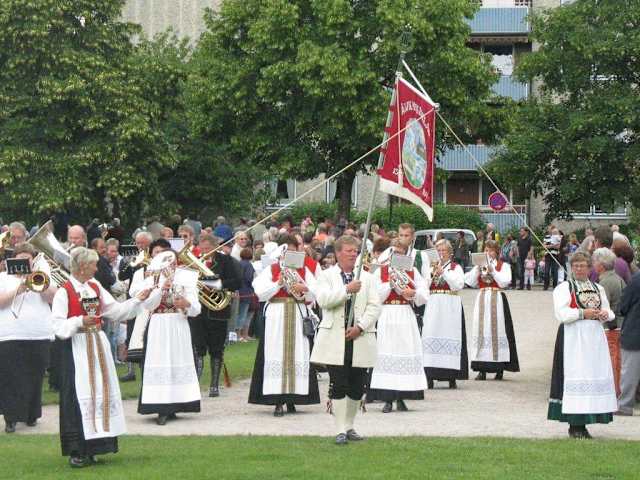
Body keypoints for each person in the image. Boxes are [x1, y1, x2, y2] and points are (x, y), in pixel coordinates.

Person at [51, 247, 150, 467]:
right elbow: (57, 325)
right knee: (78, 394)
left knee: (100, 392)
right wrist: (79, 321)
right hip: (76, 347)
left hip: (97, 344)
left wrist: (137, 300)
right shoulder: (64, 292)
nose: (97, 269)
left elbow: (115, 311)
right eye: (94, 265)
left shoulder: (95, 286)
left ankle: (96, 446)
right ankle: (78, 450)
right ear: (82, 266)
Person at [310, 235, 381, 444]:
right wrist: (346, 290)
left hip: (359, 337)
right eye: (349, 251)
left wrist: (360, 327)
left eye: (355, 251)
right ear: (338, 253)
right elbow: (323, 300)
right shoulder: (326, 276)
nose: (353, 254)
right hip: (335, 338)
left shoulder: (367, 278)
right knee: (339, 383)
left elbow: (375, 306)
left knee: (357, 385)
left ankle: (350, 425)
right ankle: (340, 429)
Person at [131, 239, 201, 426]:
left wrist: (186, 304)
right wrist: (161, 289)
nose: (169, 266)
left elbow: (196, 307)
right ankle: (160, 407)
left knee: (177, 361)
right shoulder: (152, 278)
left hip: (178, 324)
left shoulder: (186, 277)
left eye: (172, 262)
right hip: (159, 324)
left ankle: (177, 404)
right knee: (159, 361)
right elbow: (147, 304)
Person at [249, 234, 320, 416]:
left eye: (293, 251)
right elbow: (260, 293)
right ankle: (277, 399)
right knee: (276, 352)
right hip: (277, 314)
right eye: (287, 251)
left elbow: (317, 292)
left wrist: (305, 288)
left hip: (297, 312)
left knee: (298, 353)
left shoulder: (304, 270)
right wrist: (278, 283)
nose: (290, 255)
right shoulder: (272, 269)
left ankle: (293, 398)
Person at [548, 251, 617, 439]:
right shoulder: (564, 288)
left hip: (594, 338)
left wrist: (605, 314)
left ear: (589, 268)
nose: (579, 269)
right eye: (575, 266)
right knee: (576, 373)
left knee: (592, 374)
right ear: (571, 268)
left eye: (582, 265)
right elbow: (561, 314)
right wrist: (581, 313)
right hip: (573, 336)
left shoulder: (598, 288)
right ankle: (575, 425)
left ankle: (586, 421)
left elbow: (608, 310)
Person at [0, 244, 56, 433]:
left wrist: (36, 281)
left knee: (35, 376)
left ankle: (32, 414)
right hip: (9, 334)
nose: (24, 262)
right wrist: (21, 288)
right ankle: (11, 418)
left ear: (33, 261)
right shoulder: (3, 278)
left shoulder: (41, 275)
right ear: (13, 260)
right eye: (20, 259)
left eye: (28, 259)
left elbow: (53, 298)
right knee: (11, 377)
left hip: (38, 333)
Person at [368, 240, 427, 412]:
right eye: (395, 253)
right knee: (387, 352)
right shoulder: (381, 271)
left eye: (401, 253)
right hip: (387, 313)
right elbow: (374, 296)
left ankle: (401, 397)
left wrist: (413, 293)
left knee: (404, 351)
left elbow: (424, 294)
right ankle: (387, 399)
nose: (398, 256)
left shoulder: (412, 271)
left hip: (405, 314)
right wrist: (390, 284)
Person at [194, 234, 242, 397]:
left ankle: (214, 385)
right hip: (198, 311)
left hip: (218, 311)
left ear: (215, 247)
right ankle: (195, 384)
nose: (205, 251)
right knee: (198, 347)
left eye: (208, 248)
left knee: (216, 348)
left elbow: (237, 282)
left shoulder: (226, 261)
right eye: (202, 248)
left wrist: (217, 284)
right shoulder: (195, 261)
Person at [465, 240, 519, 380]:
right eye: (486, 250)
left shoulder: (503, 265)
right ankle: (481, 368)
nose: (488, 253)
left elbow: (505, 282)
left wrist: (493, 271)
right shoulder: (480, 265)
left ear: (496, 252)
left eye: (491, 250)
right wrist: (477, 269)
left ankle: (499, 368)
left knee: (498, 329)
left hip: (497, 297)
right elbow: (469, 282)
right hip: (482, 297)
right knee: (481, 330)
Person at [422, 239, 467, 389]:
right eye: (438, 251)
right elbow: (424, 286)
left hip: (449, 303)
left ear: (450, 253)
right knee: (431, 333)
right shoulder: (431, 267)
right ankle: (429, 375)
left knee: (450, 334)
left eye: (444, 251)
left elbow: (458, 284)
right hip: (434, 303)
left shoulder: (455, 267)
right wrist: (430, 274)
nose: (441, 254)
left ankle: (451, 376)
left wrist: (444, 273)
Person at [117, 231, 152, 382]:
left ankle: (146, 366)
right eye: (138, 243)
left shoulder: (155, 257)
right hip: (134, 298)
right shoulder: (133, 257)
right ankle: (131, 370)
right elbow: (121, 276)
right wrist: (130, 263)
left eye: (143, 243)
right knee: (131, 332)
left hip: (150, 299)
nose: (140, 246)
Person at [593, 248, 626, 397]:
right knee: (617, 360)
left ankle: (613, 392)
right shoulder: (617, 278)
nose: (593, 265)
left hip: (611, 327)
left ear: (601, 265)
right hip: (620, 325)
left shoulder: (605, 282)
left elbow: (601, 307)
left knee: (612, 361)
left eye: (594, 262)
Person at [617, 267, 640, 415]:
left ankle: (625, 405)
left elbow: (623, 307)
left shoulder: (636, 280)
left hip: (635, 332)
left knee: (630, 371)